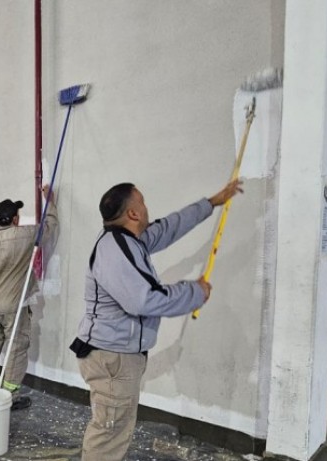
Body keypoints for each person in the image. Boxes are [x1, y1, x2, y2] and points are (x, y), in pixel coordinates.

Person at [70, 179, 242, 461]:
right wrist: (194, 292)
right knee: (108, 435)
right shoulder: (114, 250)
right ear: (134, 214)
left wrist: (211, 202)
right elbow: (144, 300)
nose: (147, 207)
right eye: (143, 202)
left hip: (117, 354)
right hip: (113, 357)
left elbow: (168, 227)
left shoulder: (130, 241)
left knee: (113, 429)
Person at [0, 185, 58, 410]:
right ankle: (9, 397)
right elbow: (50, 227)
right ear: (15, 219)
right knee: (16, 349)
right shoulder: (25, 235)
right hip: (12, 307)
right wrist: (50, 202)